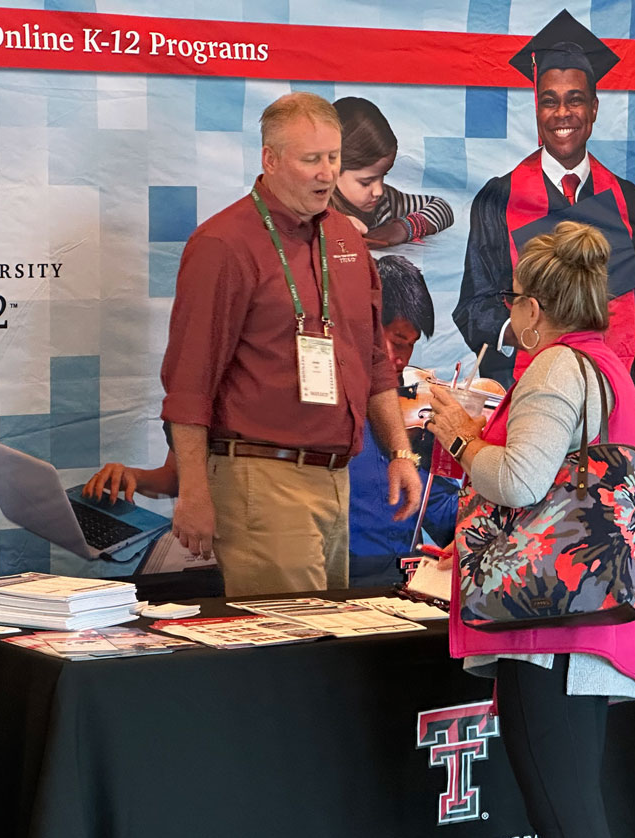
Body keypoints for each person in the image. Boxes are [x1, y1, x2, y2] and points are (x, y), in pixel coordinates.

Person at [426, 221, 635, 838]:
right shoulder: (601, 363)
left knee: (568, 832)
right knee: (576, 826)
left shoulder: (555, 366)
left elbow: (519, 482)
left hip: (551, 634)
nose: (510, 315)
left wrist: (457, 435)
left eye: (511, 302)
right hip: (581, 625)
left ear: (532, 306)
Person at [85, 93, 421, 596]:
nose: (326, 174)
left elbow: (375, 363)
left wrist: (400, 452)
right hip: (260, 477)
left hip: (334, 478)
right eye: (311, 160)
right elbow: (190, 384)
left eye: (333, 158)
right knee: (297, 640)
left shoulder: (348, 240)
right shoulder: (224, 244)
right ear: (270, 159)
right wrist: (194, 494)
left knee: (325, 640)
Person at [454, 10, 635, 386]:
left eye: (575, 100)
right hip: (523, 389)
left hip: (605, 391)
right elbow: (474, 309)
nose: (562, 113)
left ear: (593, 108)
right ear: (537, 109)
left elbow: (631, 307)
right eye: (549, 101)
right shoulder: (499, 196)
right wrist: (532, 331)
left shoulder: (625, 198)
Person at [348, 255, 459, 586]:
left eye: (409, 346)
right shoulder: (332, 412)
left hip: (403, 577)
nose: (402, 360)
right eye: (397, 341)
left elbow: (440, 512)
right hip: (338, 571)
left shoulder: (417, 420)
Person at [330, 96, 454, 247]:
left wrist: (404, 228)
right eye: (366, 182)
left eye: (383, 176)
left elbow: (442, 207)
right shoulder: (309, 207)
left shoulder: (385, 201)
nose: (378, 191)